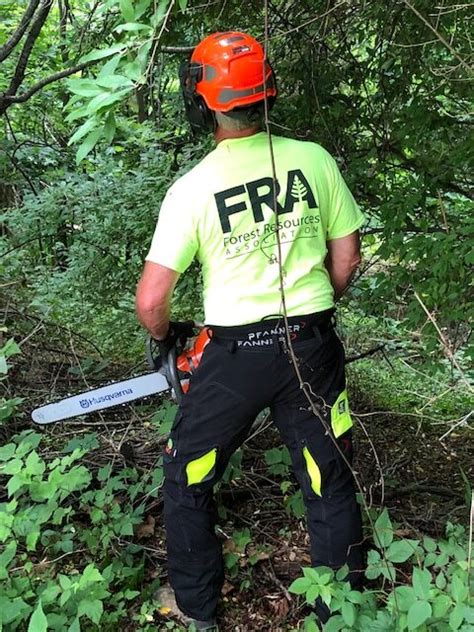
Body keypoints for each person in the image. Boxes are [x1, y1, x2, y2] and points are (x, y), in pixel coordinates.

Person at [136, 31, 364, 631]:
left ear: (205, 99)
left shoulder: (191, 189)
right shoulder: (313, 160)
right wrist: (314, 309)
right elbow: (346, 260)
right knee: (328, 477)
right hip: (311, 346)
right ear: (268, 93)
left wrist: (167, 342)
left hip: (233, 355)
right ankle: (338, 610)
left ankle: (199, 610)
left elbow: (152, 300)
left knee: (187, 476)